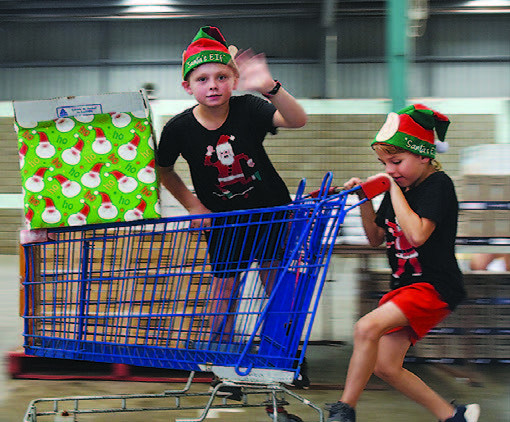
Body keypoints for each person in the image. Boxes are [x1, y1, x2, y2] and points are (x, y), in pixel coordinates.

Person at [155, 26, 309, 391]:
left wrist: (269, 87)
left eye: (222, 76)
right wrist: (193, 205)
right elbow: (163, 169)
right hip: (224, 221)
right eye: (203, 78)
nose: (213, 85)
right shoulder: (178, 128)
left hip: (271, 213)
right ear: (188, 87)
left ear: (235, 80)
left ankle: (283, 357)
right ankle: (221, 362)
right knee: (225, 290)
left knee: (275, 287)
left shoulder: (250, 107)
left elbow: (298, 119)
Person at [327, 104, 480, 422]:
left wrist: (390, 188)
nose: (390, 169)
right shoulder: (401, 189)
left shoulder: (438, 185)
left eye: (396, 161)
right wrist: (365, 200)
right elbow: (375, 238)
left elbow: (418, 233)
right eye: (384, 163)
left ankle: (345, 410)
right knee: (385, 366)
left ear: (424, 155)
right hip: (406, 288)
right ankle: (452, 415)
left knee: (365, 327)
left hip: (434, 286)